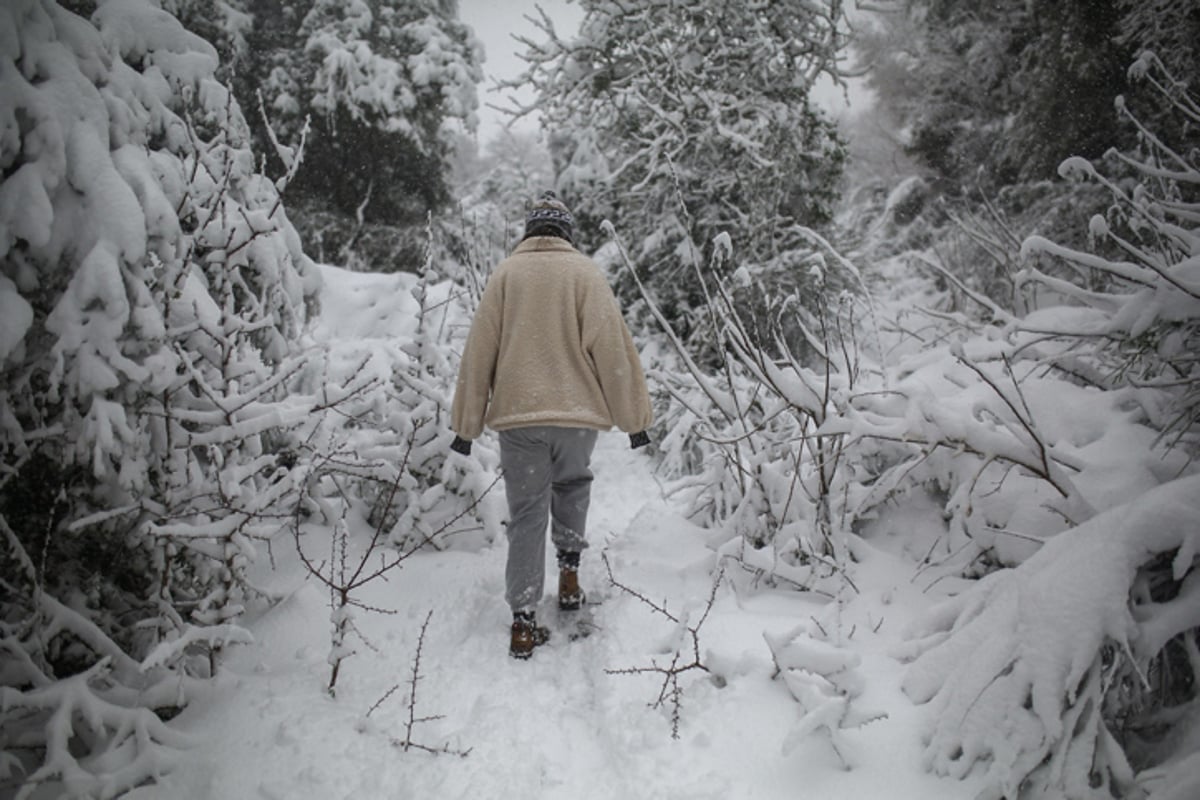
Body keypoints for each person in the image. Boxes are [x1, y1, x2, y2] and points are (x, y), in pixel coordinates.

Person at [450, 191, 653, 659]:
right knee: (573, 488)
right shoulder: (585, 274)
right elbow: (615, 353)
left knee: (526, 514)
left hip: (519, 419)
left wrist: (466, 425)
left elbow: (479, 352)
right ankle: (568, 577)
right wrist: (633, 421)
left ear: (529, 231)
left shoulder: (505, 275)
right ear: (566, 232)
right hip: (577, 420)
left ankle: (523, 621)